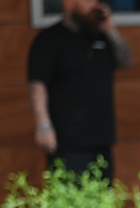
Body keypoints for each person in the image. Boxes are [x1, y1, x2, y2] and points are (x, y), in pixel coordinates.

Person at [27, 0, 134, 180]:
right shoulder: (50, 40)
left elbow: (126, 62)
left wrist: (110, 30)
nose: (95, 5)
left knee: (101, 203)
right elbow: (38, 85)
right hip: (67, 143)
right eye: (88, 0)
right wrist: (43, 125)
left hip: (102, 141)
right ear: (69, 3)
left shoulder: (100, 36)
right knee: (71, 203)